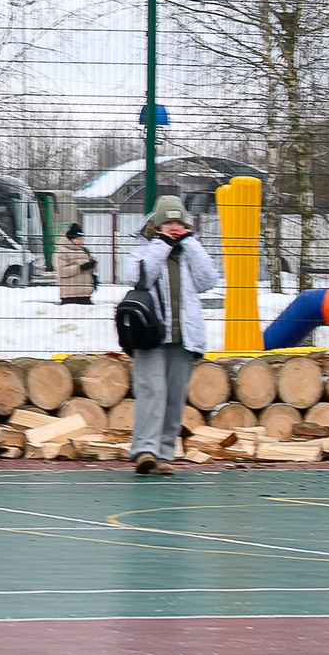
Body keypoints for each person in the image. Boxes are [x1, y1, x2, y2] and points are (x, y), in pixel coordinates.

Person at [126, 196, 220, 475]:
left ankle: (165, 455)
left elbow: (208, 280)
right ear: (156, 225)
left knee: (174, 396)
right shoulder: (144, 251)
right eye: (167, 222)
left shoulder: (190, 253)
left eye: (178, 222)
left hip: (185, 337)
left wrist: (190, 243)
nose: (173, 227)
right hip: (151, 335)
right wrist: (162, 245)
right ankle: (144, 451)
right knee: (151, 392)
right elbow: (141, 277)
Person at [56, 226, 98, 304]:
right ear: (70, 239)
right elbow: (62, 271)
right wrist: (81, 268)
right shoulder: (61, 252)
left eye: (81, 239)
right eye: (77, 239)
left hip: (85, 294)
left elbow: (91, 271)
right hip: (69, 296)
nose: (80, 241)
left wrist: (92, 265)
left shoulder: (85, 251)